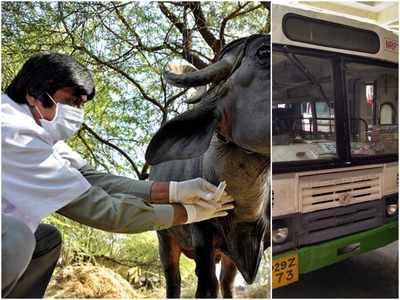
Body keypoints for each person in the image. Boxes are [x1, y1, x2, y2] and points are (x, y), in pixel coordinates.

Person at [1, 53, 234, 298]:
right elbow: (106, 212)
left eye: (80, 105)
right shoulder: (15, 134)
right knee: (17, 237)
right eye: (71, 101)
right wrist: (191, 213)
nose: (76, 112)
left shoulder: (40, 129)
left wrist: (178, 190)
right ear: (33, 93)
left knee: (46, 240)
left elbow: (95, 179)